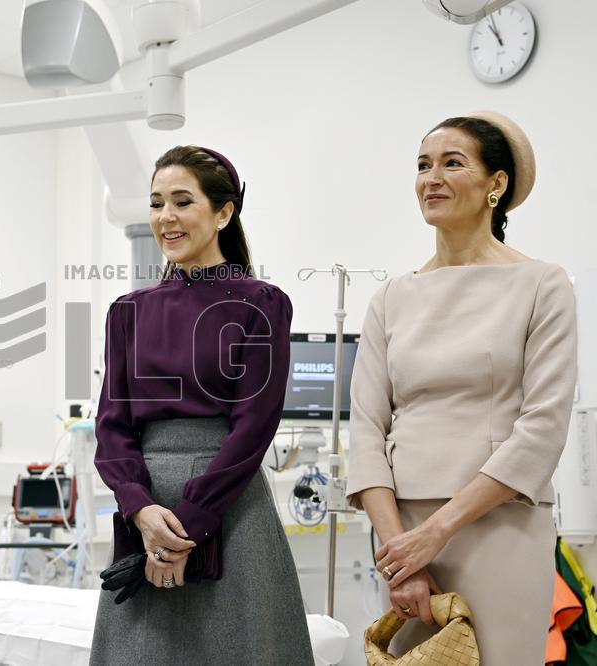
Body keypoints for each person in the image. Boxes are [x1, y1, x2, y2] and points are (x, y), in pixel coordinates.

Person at [346, 111, 577, 663]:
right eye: (423, 165)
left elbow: (542, 427)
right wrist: (403, 547)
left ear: (496, 184)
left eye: (453, 163)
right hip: (400, 534)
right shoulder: (391, 299)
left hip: (499, 525)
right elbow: (366, 431)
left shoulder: (542, 285)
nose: (432, 178)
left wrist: (439, 531)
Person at [90, 145, 314, 664]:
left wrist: (189, 522)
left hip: (229, 508)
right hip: (144, 514)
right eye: (156, 202)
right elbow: (112, 425)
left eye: (182, 201)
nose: (165, 217)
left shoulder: (262, 304)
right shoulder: (128, 312)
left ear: (223, 212)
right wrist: (140, 508)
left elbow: (254, 426)